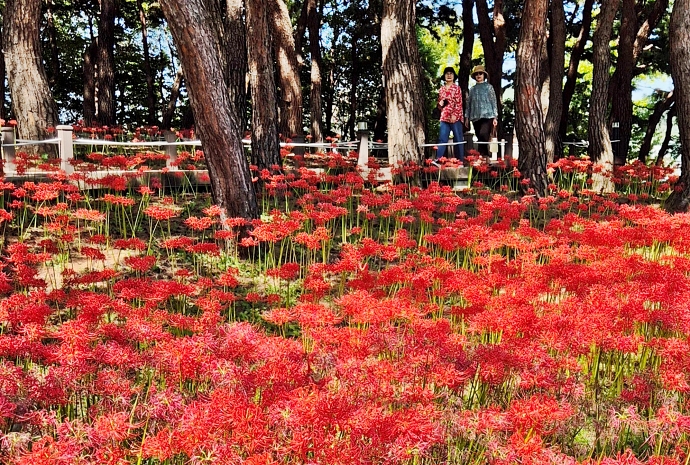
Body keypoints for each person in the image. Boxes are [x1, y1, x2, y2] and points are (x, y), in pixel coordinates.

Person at [466, 65, 498, 159]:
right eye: (476, 74)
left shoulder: (489, 87)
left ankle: (483, 155)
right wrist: (466, 117)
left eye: (480, 73)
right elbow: (468, 105)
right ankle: (482, 156)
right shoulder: (472, 89)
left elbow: (494, 102)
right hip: (475, 117)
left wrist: (495, 117)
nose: (478, 75)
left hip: (488, 116)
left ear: (484, 75)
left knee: (484, 135)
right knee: (479, 137)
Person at [435, 66, 465, 163]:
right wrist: (439, 105)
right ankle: (438, 159)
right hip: (444, 117)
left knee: (458, 139)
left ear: (454, 76)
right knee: (442, 139)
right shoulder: (441, 89)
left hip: (455, 117)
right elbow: (439, 105)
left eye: (451, 73)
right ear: (444, 76)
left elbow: (459, 102)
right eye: (447, 73)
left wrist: (455, 115)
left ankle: (460, 160)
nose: (449, 75)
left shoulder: (457, 88)